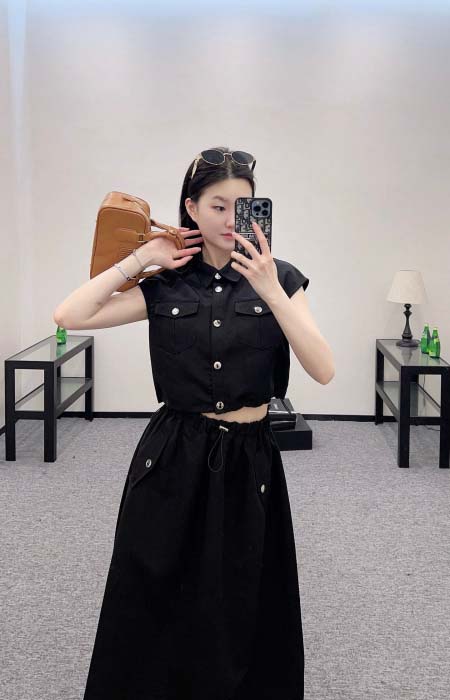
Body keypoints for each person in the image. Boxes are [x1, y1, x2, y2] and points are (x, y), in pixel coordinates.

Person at [54, 146, 332, 699]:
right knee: (157, 584)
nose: (230, 220)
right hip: (174, 452)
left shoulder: (282, 278)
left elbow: (323, 369)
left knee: (243, 590)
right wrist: (142, 258)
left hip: (250, 457)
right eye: (217, 206)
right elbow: (70, 314)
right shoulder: (168, 284)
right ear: (192, 209)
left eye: (242, 207)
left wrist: (271, 289)